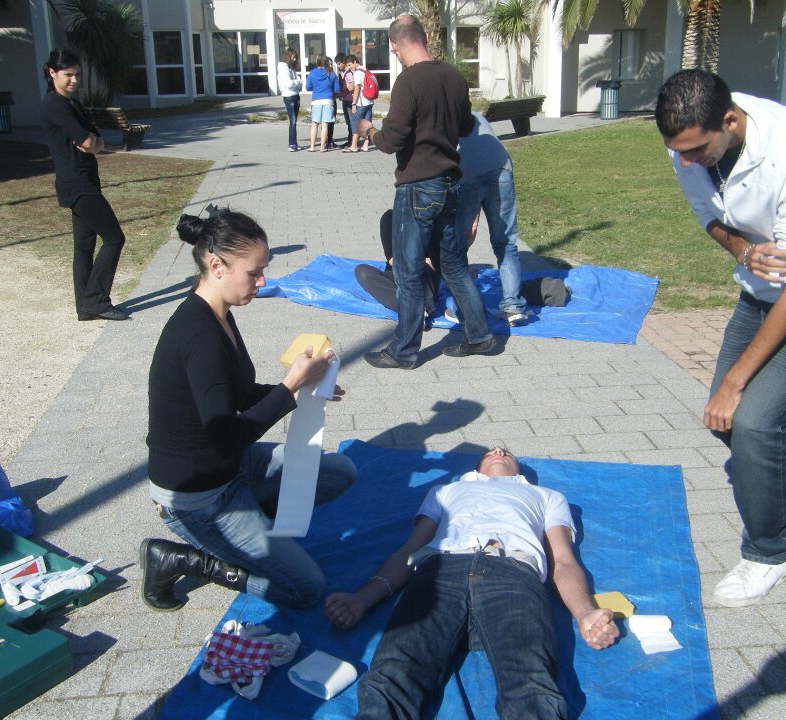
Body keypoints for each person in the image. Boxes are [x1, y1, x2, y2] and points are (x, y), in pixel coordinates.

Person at [654, 69, 786, 607]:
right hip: (759, 291)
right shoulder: (687, 143)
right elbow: (707, 216)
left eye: (697, 150)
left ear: (730, 121)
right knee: (725, 420)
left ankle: (769, 552)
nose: (686, 162)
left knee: (751, 418)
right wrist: (743, 250)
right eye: (677, 152)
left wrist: (736, 383)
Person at [141, 208, 357, 611]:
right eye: (254, 273)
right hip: (198, 498)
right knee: (307, 588)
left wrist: (304, 387)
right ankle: (189, 560)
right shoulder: (199, 335)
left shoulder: (219, 313)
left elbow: (237, 395)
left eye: (263, 271)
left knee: (339, 472)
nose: (263, 282)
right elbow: (226, 435)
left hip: (232, 469)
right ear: (216, 266)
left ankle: (252, 529)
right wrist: (289, 387)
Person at [325, 447, 618, 719]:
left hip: (512, 572)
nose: (498, 451)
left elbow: (563, 561)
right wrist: (362, 599)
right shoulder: (446, 490)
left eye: (506, 452)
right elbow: (408, 552)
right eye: (491, 451)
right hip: (439, 570)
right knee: (394, 674)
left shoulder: (547, 496)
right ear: (477, 468)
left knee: (530, 681)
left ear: (518, 470)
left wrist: (585, 612)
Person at [359, 15, 492, 369]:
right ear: (423, 37)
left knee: (408, 272)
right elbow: (466, 126)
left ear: (394, 45)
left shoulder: (408, 81)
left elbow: (390, 141)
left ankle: (403, 351)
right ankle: (479, 335)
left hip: (418, 187)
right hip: (450, 184)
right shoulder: (454, 76)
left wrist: (368, 130)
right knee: (454, 266)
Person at [41, 48, 128, 322]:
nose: (74, 80)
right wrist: (94, 143)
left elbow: (94, 140)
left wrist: (94, 143)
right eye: (68, 74)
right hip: (78, 184)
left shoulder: (71, 104)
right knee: (114, 238)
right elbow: (90, 142)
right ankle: (97, 300)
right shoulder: (55, 106)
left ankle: (85, 306)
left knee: (84, 246)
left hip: (83, 181)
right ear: (52, 73)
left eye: (77, 75)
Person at [456, 112, 529, 327]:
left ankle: (463, 308)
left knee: (457, 245)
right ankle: (513, 307)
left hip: (467, 173)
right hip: (501, 168)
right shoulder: (477, 115)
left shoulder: (446, 114)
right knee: (505, 243)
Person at [305, 55, 340, 153]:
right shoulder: (331, 73)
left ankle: (312, 147)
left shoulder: (312, 73)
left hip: (316, 100)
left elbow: (308, 87)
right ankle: (322, 147)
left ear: (318, 62)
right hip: (328, 100)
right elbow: (337, 89)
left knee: (314, 123)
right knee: (325, 124)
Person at [343, 55, 373, 154]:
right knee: (367, 123)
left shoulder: (357, 73)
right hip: (369, 101)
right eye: (347, 65)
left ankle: (354, 146)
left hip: (361, 102)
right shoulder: (365, 70)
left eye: (350, 65)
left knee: (355, 123)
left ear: (355, 62)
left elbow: (357, 89)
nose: (349, 67)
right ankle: (365, 145)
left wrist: (354, 103)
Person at [277, 48, 302, 152]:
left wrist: (297, 82)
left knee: (294, 121)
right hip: (289, 96)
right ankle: (292, 144)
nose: (295, 59)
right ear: (288, 56)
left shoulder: (291, 68)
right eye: (293, 57)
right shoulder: (284, 69)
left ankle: (294, 142)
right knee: (293, 121)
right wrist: (297, 82)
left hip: (295, 95)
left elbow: (300, 81)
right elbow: (289, 83)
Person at [335, 53, 355, 148]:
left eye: (339, 63)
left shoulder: (348, 73)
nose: (338, 66)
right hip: (345, 100)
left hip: (350, 100)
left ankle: (352, 141)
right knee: (348, 122)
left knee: (351, 122)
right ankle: (350, 140)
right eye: (337, 64)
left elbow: (351, 87)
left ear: (344, 62)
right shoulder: (342, 73)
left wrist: (342, 92)